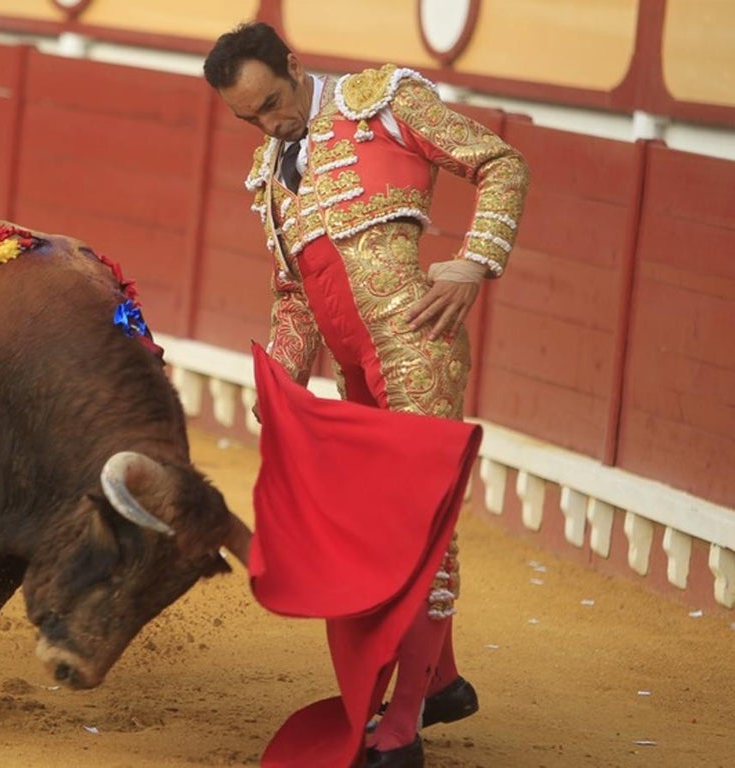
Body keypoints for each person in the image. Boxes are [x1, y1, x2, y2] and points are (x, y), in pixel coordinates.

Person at [203, 22, 529, 768]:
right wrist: (282, 376)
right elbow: (295, 293)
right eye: (250, 118)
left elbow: (501, 162)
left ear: (294, 65)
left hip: (417, 347)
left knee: (418, 530)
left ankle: (404, 723)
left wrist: (476, 262)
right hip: (355, 374)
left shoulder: (382, 103)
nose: (268, 125)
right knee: (377, 529)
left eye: (272, 103)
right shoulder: (270, 172)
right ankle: (440, 681)